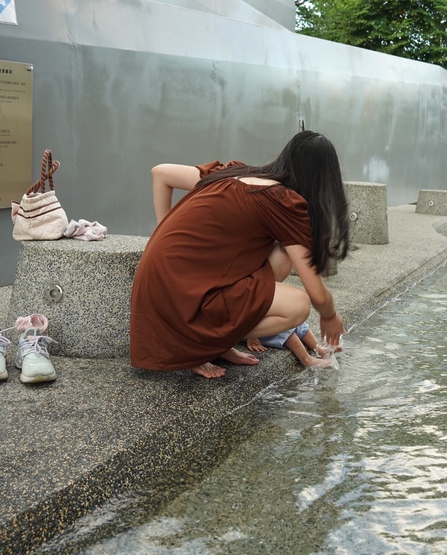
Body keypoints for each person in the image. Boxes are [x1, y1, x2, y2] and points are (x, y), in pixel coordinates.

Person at [130, 131, 350, 379]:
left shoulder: (236, 173)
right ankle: (200, 344)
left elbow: (161, 173)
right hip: (182, 300)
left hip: (161, 283)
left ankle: (218, 342)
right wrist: (330, 316)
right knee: (298, 306)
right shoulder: (283, 201)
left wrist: (166, 239)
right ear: (322, 180)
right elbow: (316, 293)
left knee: (282, 255)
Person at [246, 321, 336, 369]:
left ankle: (319, 349)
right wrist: (252, 335)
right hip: (248, 325)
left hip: (261, 315)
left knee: (295, 320)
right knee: (282, 328)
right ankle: (307, 360)